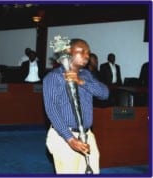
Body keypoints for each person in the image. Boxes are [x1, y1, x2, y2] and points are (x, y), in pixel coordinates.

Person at [43, 38, 109, 174]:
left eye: (88, 53)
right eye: (82, 51)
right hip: (64, 136)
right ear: (68, 51)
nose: (86, 56)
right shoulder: (54, 77)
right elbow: (52, 109)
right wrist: (70, 138)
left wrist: (81, 82)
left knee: (93, 172)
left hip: (87, 134)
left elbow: (104, 94)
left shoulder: (86, 75)